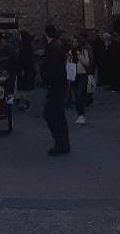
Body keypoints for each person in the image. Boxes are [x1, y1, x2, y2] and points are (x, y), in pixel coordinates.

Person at [43, 24, 70, 156]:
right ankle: (63, 143)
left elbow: (53, 69)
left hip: (55, 86)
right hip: (57, 86)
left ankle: (61, 144)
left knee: (52, 114)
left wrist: (48, 80)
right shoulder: (57, 47)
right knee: (57, 115)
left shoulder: (53, 48)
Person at [67, 36, 92, 124]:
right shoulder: (70, 52)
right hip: (74, 75)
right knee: (76, 95)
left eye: (75, 42)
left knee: (79, 94)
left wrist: (79, 55)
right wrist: (69, 59)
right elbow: (68, 63)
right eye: (73, 42)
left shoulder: (83, 52)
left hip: (82, 75)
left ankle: (81, 115)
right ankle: (80, 114)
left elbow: (87, 63)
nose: (74, 44)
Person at [16, 30, 35, 111]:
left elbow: (25, 59)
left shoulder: (24, 47)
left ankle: (24, 104)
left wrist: (23, 68)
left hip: (24, 69)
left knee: (23, 88)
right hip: (26, 69)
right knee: (23, 88)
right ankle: (24, 103)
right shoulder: (26, 46)